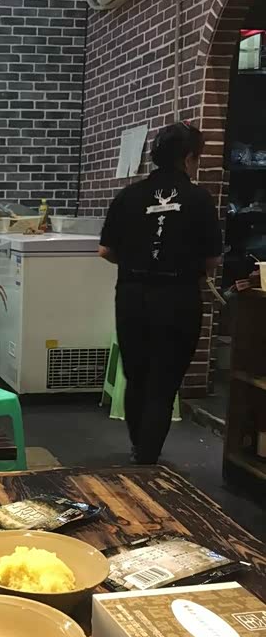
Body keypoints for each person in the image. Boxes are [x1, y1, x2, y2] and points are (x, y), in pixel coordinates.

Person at [99, 122, 223, 464]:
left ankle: (139, 449)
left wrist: (137, 263)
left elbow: (105, 250)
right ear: (188, 157)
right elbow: (213, 259)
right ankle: (147, 457)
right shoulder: (199, 199)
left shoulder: (128, 195)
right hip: (178, 298)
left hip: (132, 295)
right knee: (164, 382)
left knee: (136, 376)